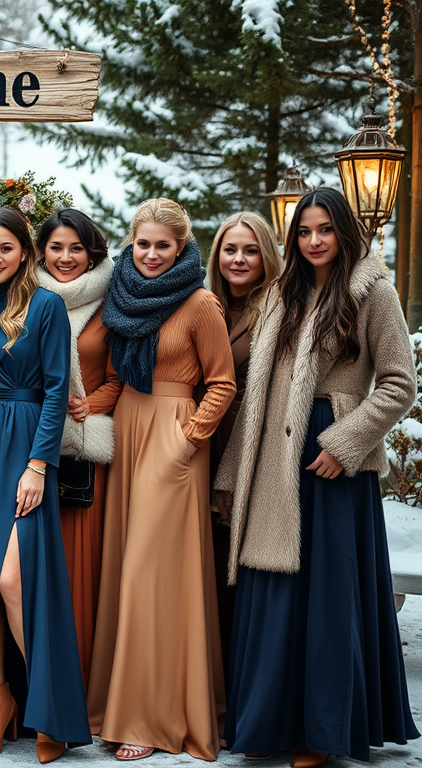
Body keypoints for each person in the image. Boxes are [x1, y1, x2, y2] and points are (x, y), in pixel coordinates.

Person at [214, 188, 420, 767]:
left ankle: (321, 730)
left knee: (327, 597)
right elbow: (257, 395)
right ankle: (269, 721)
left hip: (329, 464)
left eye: (324, 229)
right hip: (272, 462)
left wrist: (345, 442)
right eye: (304, 232)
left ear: (344, 231)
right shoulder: (284, 292)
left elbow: (400, 383)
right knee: (275, 592)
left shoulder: (370, 289)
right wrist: (232, 475)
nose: (314, 241)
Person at [87, 198, 235, 761]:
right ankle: (116, 703)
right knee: (125, 572)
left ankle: (153, 718)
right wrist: (87, 411)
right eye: (143, 244)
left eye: (162, 245)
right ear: (132, 243)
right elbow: (117, 375)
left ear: (182, 247)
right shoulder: (120, 295)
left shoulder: (201, 304)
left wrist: (189, 440)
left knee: (154, 576)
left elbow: (221, 383)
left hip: (174, 439)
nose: (151, 254)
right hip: (126, 431)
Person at [0, 206, 90, 764]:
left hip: (26, 441)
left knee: (13, 579)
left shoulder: (47, 305)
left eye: (6, 248)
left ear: (24, 252)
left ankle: (51, 707)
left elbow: (57, 389)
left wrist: (38, 465)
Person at [34, 208, 117, 688]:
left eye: (76, 248)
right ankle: (36, 688)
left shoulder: (111, 299)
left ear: (92, 252)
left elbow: (127, 371)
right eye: (56, 247)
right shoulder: (27, 297)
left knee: (80, 573)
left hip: (86, 451)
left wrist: (96, 401)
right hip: (34, 449)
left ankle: (82, 688)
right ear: (42, 251)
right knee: (35, 574)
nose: (66, 258)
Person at [205, 211, 282, 690]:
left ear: (268, 257)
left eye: (251, 250)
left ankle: (241, 694)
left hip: (252, 455)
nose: (239, 259)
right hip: (201, 449)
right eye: (230, 249)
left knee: (242, 578)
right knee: (207, 572)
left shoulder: (278, 309)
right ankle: (210, 687)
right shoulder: (204, 303)